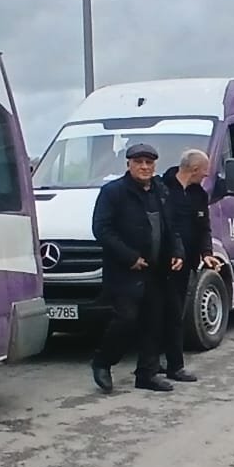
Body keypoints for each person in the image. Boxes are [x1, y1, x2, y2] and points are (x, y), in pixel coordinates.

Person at [90, 143, 184, 393]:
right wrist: (130, 257)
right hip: (125, 271)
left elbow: (171, 226)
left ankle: (147, 374)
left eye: (149, 162)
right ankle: (102, 362)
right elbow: (102, 230)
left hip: (157, 270)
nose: (144, 167)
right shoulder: (113, 192)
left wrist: (177, 252)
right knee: (126, 320)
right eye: (139, 162)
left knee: (154, 323)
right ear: (128, 164)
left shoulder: (160, 190)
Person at [156, 149, 226, 382]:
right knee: (157, 311)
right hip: (161, 260)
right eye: (204, 173)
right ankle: (158, 363)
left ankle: (173, 364)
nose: (205, 177)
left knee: (176, 312)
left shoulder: (199, 194)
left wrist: (207, 253)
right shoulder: (162, 188)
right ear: (194, 169)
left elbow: (204, 227)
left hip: (186, 263)